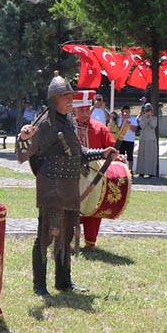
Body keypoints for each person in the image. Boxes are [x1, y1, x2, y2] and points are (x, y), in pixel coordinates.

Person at [17, 75, 118, 295]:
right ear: (54, 99)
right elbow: (24, 152)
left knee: (67, 234)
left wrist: (102, 152)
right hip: (51, 185)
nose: (70, 100)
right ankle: (39, 285)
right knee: (46, 234)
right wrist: (23, 137)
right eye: (66, 96)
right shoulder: (44, 124)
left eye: (71, 95)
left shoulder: (69, 121)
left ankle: (63, 281)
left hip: (69, 186)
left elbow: (79, 153)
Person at [71, 90, 117, 250]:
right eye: (80, 110)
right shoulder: (68, 129)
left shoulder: (100, 128)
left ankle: (91, 241)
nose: (84, 113)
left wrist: (117, 157)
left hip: (96, 177)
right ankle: (69, 240)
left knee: (95, 206)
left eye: (86, 109)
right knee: (71, 208)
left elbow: (110, 148)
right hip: (72, 176)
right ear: (74, 110)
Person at [136, 103, 160, 177]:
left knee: (151, 156)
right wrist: (145, 118)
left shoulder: (154, 118)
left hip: (151, 139)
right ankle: (141, 172)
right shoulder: (142, 118)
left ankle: (151, 172)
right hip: (143, 139)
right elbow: (141, 126)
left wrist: (150, 118)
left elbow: (153, 125)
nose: (148, 112)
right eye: (147, 110)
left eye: (149, 110)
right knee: (142, 156)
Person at [114, 106, 137, 171]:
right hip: (122, 140)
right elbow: (119, 129)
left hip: (130, 140)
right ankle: (122, 169)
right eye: (124, 112)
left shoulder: (133, 119)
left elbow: (134, 129)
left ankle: (130, 170)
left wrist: (128, 124)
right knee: (121, 155)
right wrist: (123, 121)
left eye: (126, 112)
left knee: (130, 156)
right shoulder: (121, 120)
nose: (125, 114)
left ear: (129, 112)